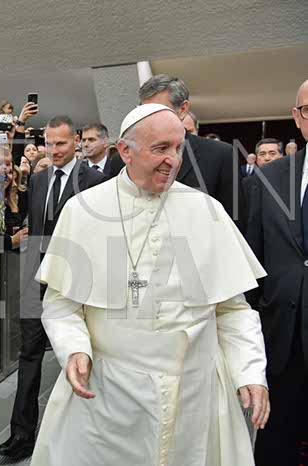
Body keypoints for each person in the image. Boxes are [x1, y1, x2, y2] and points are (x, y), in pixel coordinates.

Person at [32, 104, 268, 466]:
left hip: (196, 393)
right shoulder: (82, 210)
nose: (174, 160)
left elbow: (232, 309)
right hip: (110, 393)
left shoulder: (207, 210)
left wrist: (249, 371)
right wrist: (74, 348)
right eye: (160, 148)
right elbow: (61, 304)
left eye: (179, 148)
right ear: (125, 151)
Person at [0, 115, 105, 459]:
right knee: (29, 353)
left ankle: (85, 437)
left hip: (79, 282)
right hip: (38, 280)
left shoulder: (96, 180)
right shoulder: (38, 179)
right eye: (49, 143)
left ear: (76, 142)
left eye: (61, 143)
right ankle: (22, 434)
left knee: (82, 356)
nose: (54, 150)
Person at [245, 78, 308, 466]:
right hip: (282, 338)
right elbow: (253, 258)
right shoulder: (269, 178)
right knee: (277, 447)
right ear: (297, 118)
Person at [139, 75, 241, 225]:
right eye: (144, 110)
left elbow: (234, 221)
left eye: (159, 111)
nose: (149, 117)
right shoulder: (126, 157)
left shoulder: (220, 155)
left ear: (182, 109)